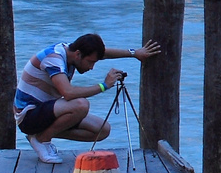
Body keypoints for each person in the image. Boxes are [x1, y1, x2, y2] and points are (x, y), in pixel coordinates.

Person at [15, 34, 161, 163]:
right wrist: (104, 85)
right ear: (78, 54)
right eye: (91, 62)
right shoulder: (53, 58)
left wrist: (135, 53)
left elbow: (104, 53)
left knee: (102, 130)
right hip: (28, 116)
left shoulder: (71, 52)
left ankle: (40, 136)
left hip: (48, 111)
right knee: (81, 105)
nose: (92, 67)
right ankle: (42, 140)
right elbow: (68, 93)